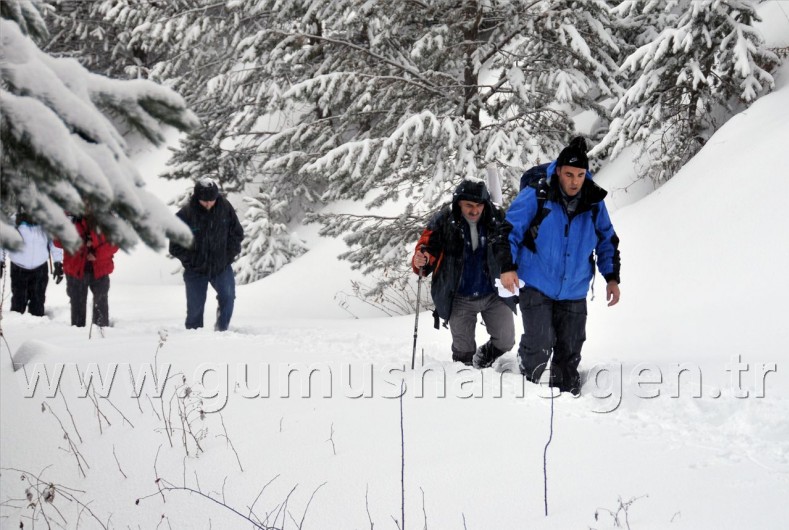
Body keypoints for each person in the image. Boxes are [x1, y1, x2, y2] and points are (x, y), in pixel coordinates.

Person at [495, 137, 621, 395]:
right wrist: (507, 267)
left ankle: (567, 398)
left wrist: (611, 277)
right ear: (558, 171)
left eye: (580, 175)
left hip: (574, 287)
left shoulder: (593, 201)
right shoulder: (537, 194)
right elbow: (508, 231)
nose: (575, 181)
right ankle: (526, 391)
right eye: (569, 174)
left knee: (570, 348)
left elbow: (607, 239)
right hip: (537, 282)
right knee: (539, 343)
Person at [411, 178, 515, 368]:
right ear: (458, 203)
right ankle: (463, 378)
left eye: (479, 205)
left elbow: (512, 244)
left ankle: (482, 358)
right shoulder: (444, 220)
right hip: (459, 295)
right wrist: (422, 259)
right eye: (469, 205)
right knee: (463, 351)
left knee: (505, 341)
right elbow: (427, 248)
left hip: (493, 292)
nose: (474, 211)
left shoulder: (495, 218)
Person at [169, 178, 244, 331]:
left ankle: (222, 330)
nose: (209, 204)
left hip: (221, 267)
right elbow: (175, 246)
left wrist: (227, 256)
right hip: (195, 270)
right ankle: (194, 335)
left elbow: (237, 233)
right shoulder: (185, 214)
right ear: (197, 198)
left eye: (212, 200)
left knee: (228, 297)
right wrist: (193, 261)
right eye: (205, 201)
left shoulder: (225, 208)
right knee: (195, 309)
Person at [56, 214, 119, 328]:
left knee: (101, 316)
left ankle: (101, 337)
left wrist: (96, 251)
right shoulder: (68, 215)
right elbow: (56, 241)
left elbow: (115, 243)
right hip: (75, 270)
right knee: (77, 318)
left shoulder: (105, 215)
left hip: (100, 269)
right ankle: (77, 338)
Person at [0, 212, 64, 316]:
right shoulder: (14, 221)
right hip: (19, 268)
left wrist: (58, 262)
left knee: (38, 304)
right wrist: (0, 260)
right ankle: (16, 324)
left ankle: (38, 325)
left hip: (40, 268)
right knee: (18, 304)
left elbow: (53, 242)